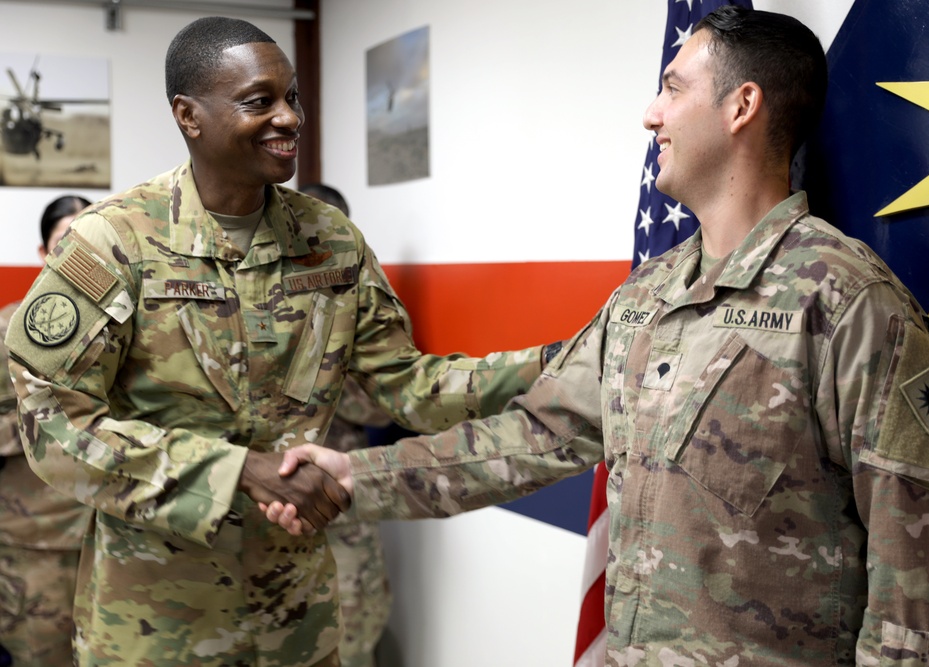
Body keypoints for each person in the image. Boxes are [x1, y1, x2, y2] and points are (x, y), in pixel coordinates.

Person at [268, 7, 929, 665]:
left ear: (742, 106)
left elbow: (920, 587)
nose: (651, 114)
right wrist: (352, 476)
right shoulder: (645, 299)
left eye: (673, 88)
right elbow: (531, 439)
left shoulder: (847, 304)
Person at [3, 17, 555, 667]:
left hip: (295, 618)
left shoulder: (331, 239)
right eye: (258, 100)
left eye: (292, 97)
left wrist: (553, 364)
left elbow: (411, 387)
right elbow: (52, 427)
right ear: (189, 115)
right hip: (153, 624)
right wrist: (235, 472)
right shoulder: (112, 242)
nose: (289, 117)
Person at [300, 182, 396, 667]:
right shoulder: (253, 292)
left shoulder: (367, 300)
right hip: (271, 506)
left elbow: (385, 405)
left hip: (343, 500)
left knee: (354, 633)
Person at [0, 195, 93, 666]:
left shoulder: (133, 328)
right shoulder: (6, 330)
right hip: (35, 543)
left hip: (113, 538)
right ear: (43, 252)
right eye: (66, 240)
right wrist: (50, 429)